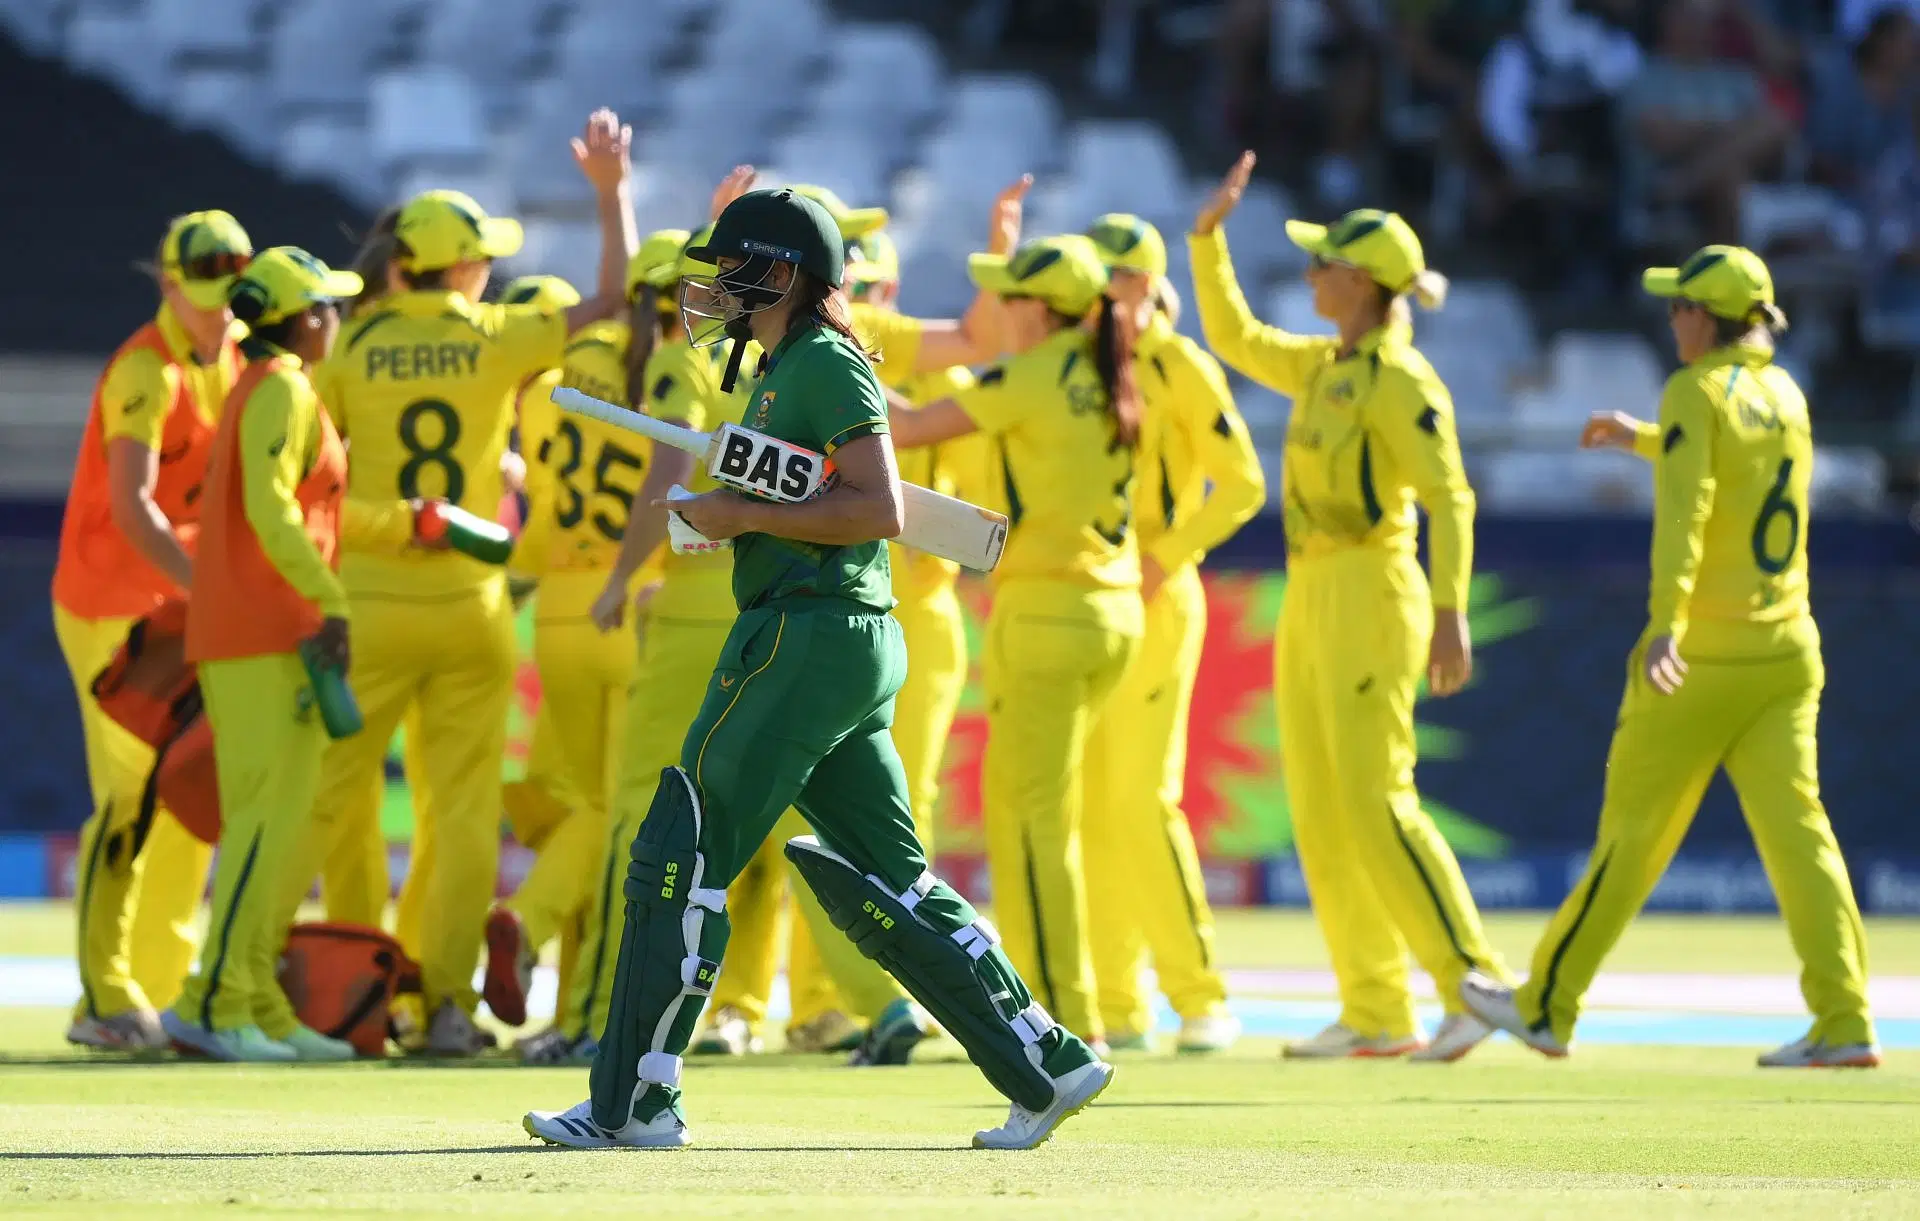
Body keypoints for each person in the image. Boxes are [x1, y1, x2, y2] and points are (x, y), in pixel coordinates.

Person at [525, 189, 1111, 1151]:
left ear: (783, 273)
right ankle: (1045, 1063)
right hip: (840, 636)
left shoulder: (824, 362)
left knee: (682, 842)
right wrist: (740, 506)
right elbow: (825, 495)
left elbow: (876, 508)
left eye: (733, 268)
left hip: (806, 634)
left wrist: (742, 516)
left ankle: (633, 1101)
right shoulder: (796, 364)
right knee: (893, 877)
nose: (714, 287)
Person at [1464, 246, 1879, 1069]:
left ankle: (1548, 1005)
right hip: (1786, 649)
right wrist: (1646, 438)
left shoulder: (1695, 389)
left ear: (1706, 318)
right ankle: (1844, 1020)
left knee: (1631, 838)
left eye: (1679, 307)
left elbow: (1686, 517)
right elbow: (1731, 467)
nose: (1671, 320)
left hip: (1697, 657)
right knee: (1804, 842)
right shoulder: (1785, 392)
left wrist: (1665, 624)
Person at [302, 108, 639, 1054]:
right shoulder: (497, 336)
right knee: (460, 822)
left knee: (344, 805)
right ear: (453, 269)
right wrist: (612, 196)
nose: (489, 267)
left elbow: (309, 476)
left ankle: (360, 995)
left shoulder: (352, 347)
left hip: (366, 602)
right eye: (481, 256)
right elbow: (613, 294)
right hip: (471, 609)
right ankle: (446, 1002)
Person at [1190, 152, 1511, 1062]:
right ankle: (1375, 1007)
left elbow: (1451, 499)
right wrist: (1206, 242)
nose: (1310, 274)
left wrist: (1451, 611)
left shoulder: (1403, 382)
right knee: (1325, 806)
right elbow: (1239, 338)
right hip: (1314, 588)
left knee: (1379, 799)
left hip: (1376, 585)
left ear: (1363, 282)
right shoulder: (1327, 365)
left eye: (1324, 263)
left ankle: (1471, 984)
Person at [163, 247, 436, 1059]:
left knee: (277, 824)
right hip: (263, 629)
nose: (338, 320)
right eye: (329, 308)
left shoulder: (275, 385)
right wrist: (329, 597)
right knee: (260, 823)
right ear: (301, 317)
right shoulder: (280, 387)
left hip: (269, 629)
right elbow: (270, 507)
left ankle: (253, 1000)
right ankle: (210, 1001)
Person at [887, 231, 1147, 1055]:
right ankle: (1073, 1007)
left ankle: (1065, 1023)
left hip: (1045, 612)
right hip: (1112, 609)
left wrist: (838, 355)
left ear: (1041, 309)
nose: (997, 308)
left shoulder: (1034, 375)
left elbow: (914, 425)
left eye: (1009, 295)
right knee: (1048, 817)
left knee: (1032, 827)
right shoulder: (1113, 370)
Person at [53, 210, 251, 1051]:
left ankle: (165, 988)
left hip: (178, 606)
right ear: (170, 285)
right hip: (110, 606)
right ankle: (103, 994)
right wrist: (207, 589)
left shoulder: (234, 352)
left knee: (189, 794)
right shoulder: (145, 369)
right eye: (205, 292)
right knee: (130, 795)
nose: (219, 308)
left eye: (229, 292)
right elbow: (133, 510)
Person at [1082, 213, 1265, 1053]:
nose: (1110, 290)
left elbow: (1243, 482)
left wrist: (1168, 554)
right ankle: (1117, 1006)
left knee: (1141, 801)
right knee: (1091, 803)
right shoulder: (1080, 365)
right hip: (1094, 596)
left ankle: (1200, 998)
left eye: (1124, 276)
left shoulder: (1179, 364)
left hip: (1154, 601)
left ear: (1152, 283)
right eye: (1102, 275)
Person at [481, 267, 636, 1038]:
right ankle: (569, 978)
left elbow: (541, 528)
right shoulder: (665, 372)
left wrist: (507, 584)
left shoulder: (547, 396)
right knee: (620, 817)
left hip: (562, 611)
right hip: (639, 604)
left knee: (587, 808)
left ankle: (548, 950)